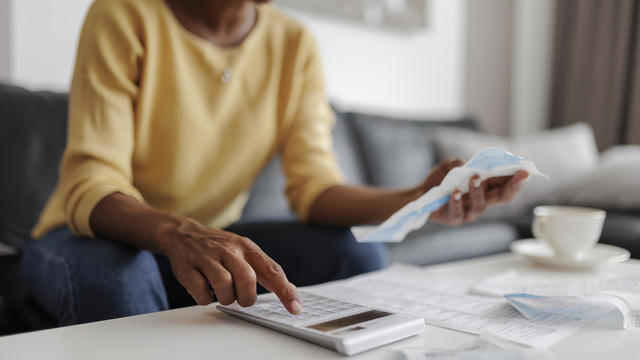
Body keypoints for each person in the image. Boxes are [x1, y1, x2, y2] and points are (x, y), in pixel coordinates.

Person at [21, 0, 529, 326]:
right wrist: (180, 232)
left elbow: (315, 188)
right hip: (91, 235)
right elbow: (92, 182)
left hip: (207, 236)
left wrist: (417, 200)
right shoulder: (124, 14)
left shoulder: (293, 44)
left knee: (358, 257)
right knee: (118, 281)